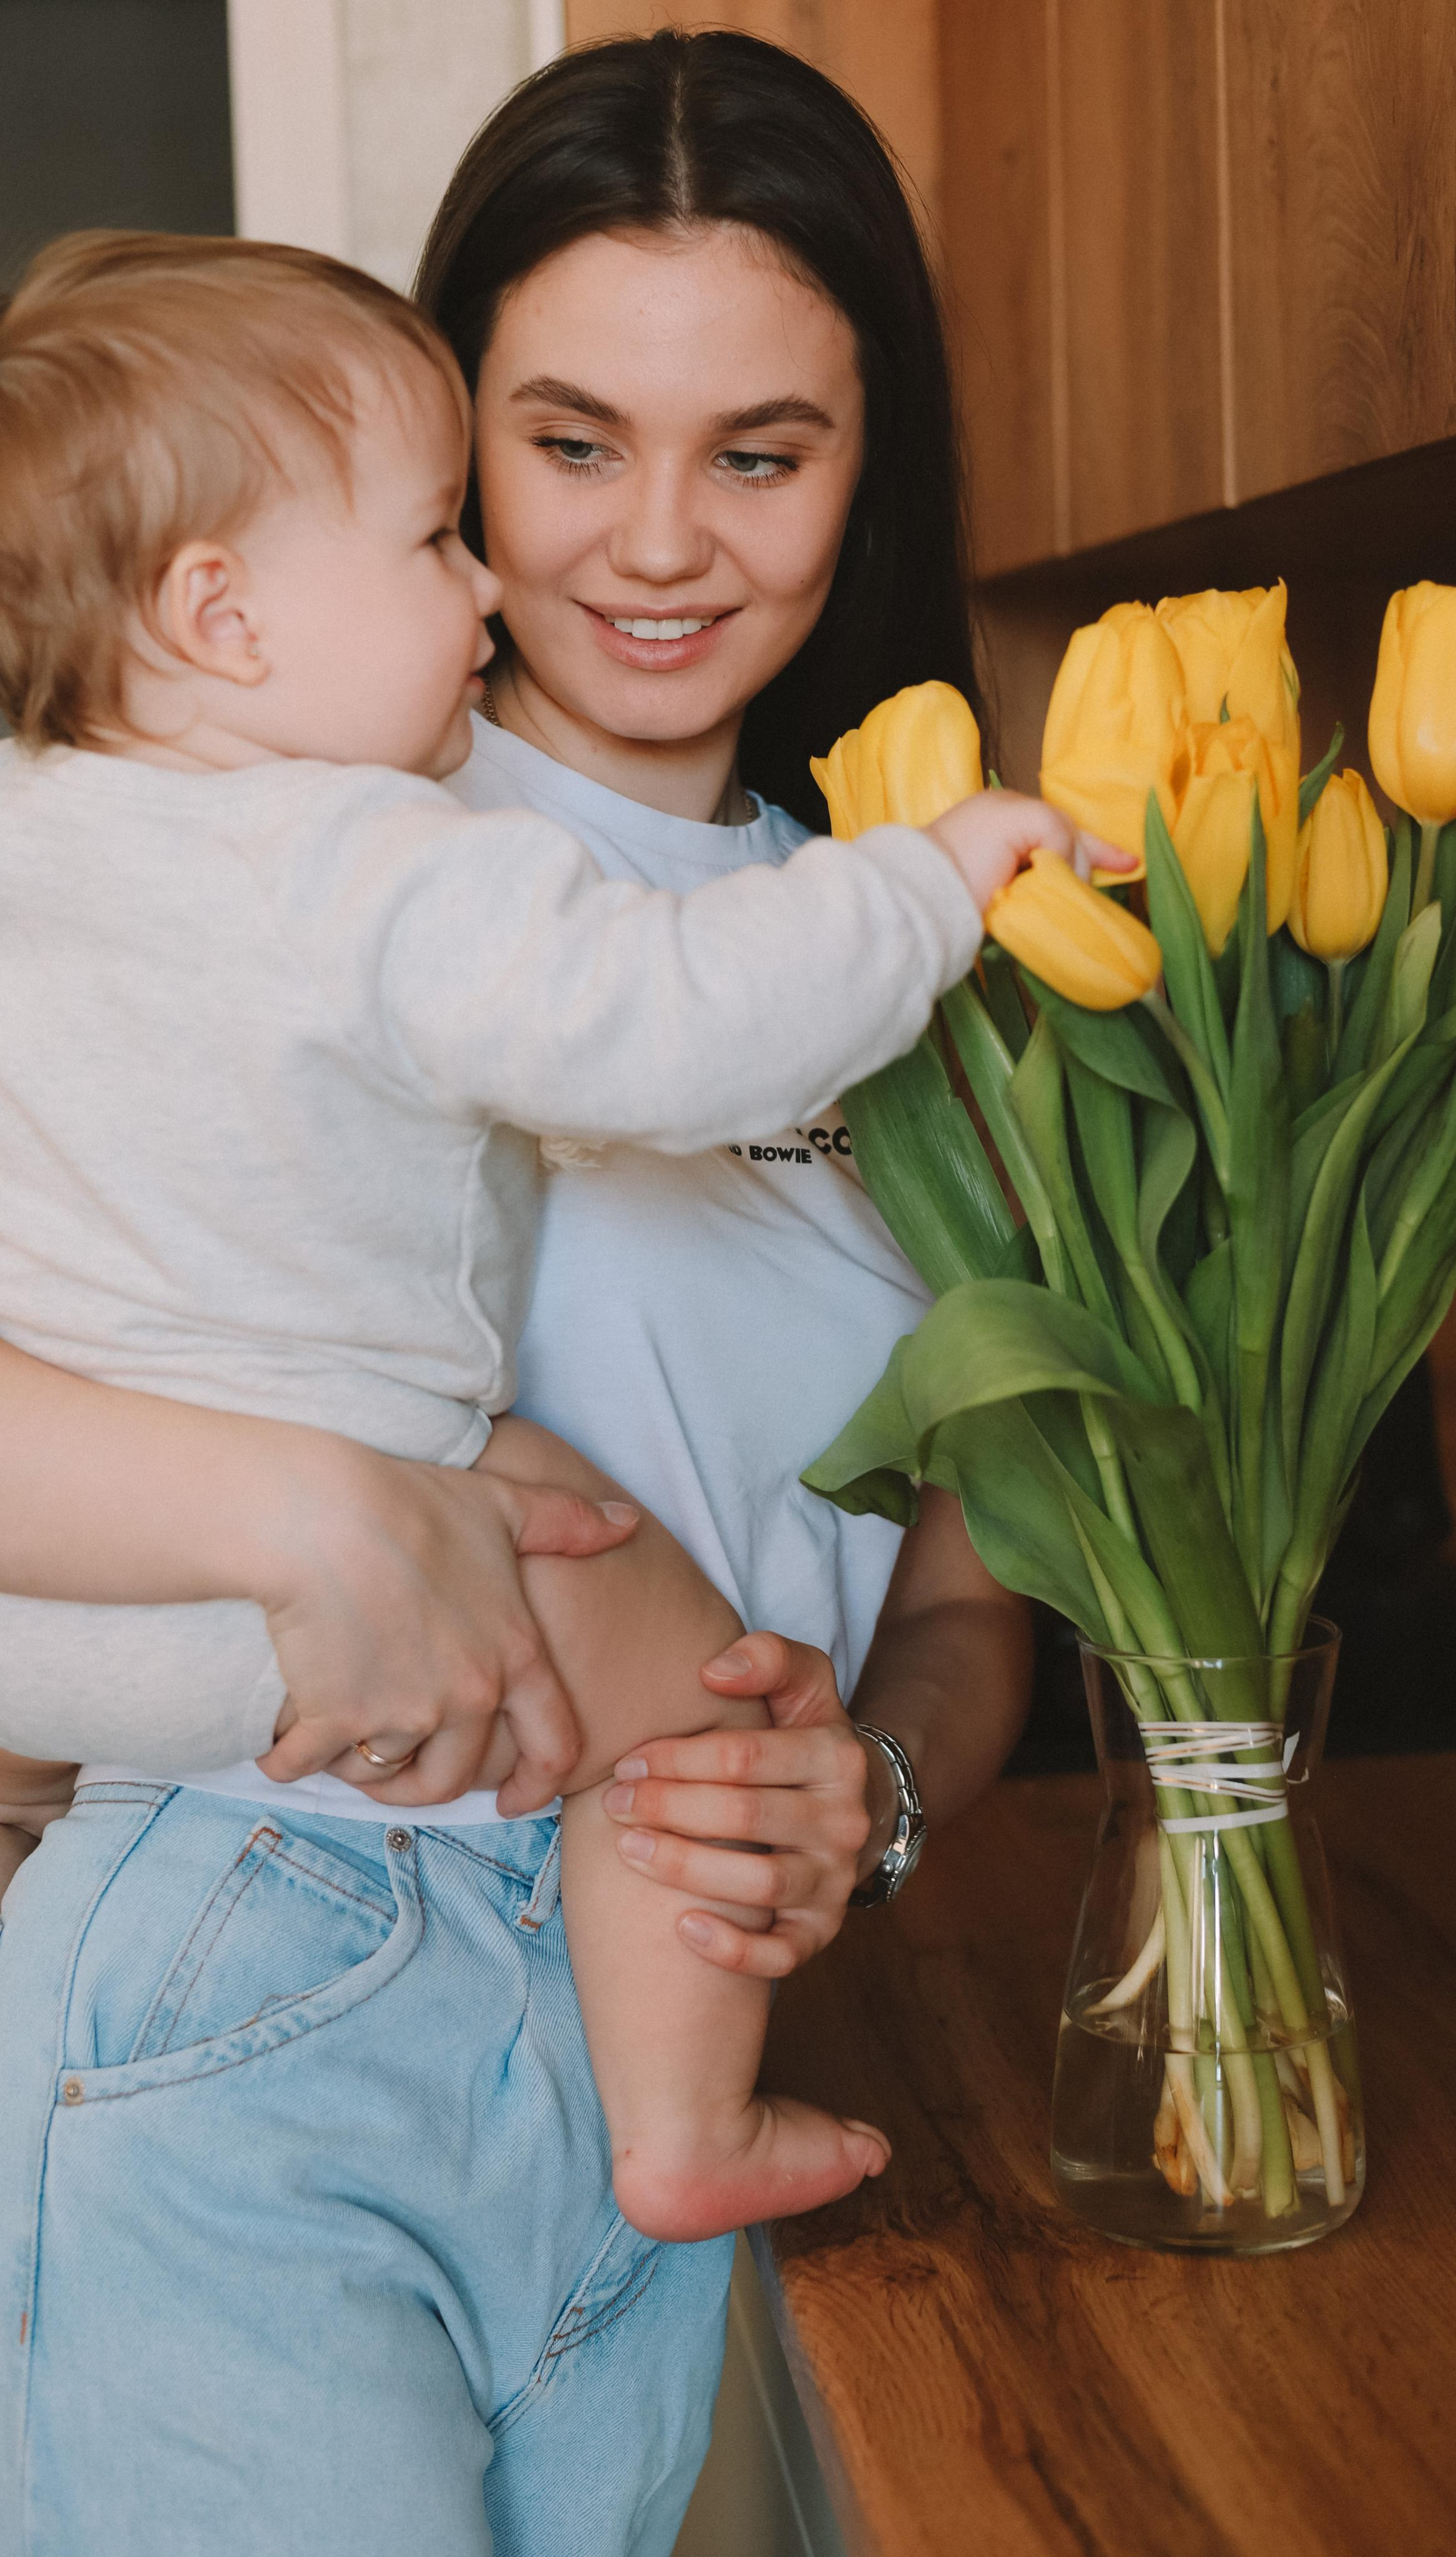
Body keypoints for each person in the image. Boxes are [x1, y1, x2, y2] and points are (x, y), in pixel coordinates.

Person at [0, 32, 1050, 2557]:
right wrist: (310, 1507)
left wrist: (863, 1796)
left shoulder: (928, 935)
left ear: (864, 461)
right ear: (438, 446)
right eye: (562, 448)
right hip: (283, 1977)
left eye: (761, 452)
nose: (652, 545)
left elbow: (982, 1564)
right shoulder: (259, 841)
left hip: (668, 2062)